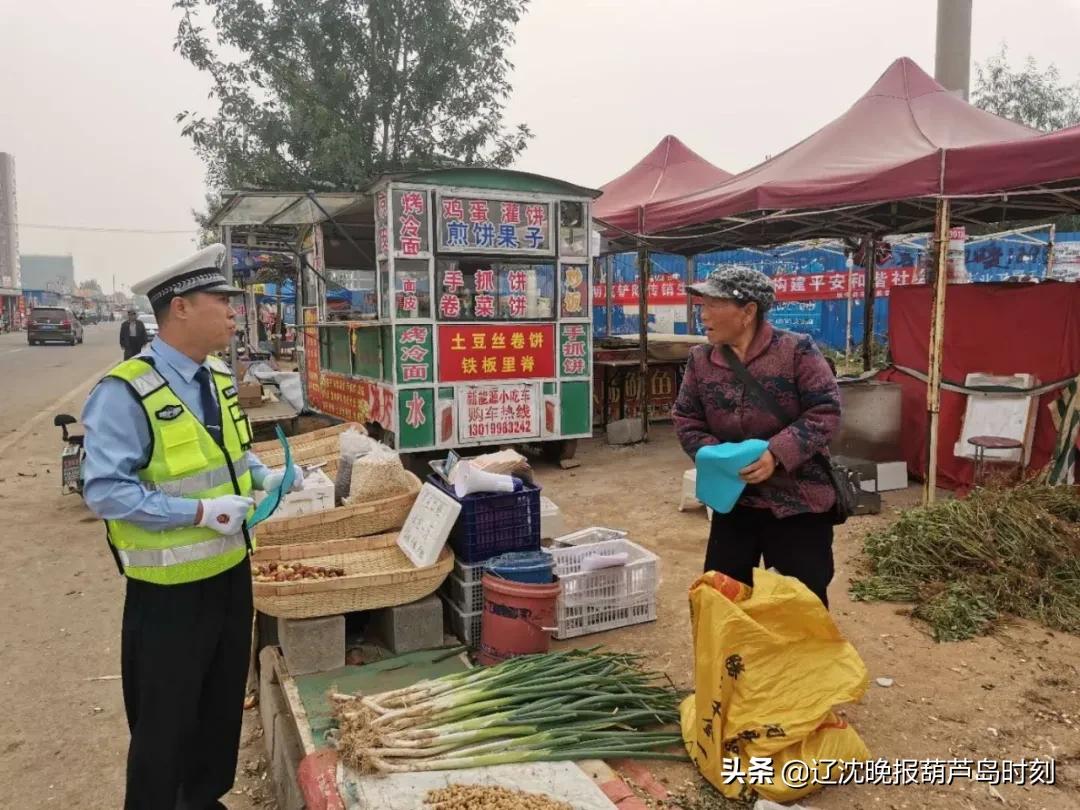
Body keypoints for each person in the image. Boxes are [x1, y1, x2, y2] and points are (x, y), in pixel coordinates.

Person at [81, 244, 304, 809]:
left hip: (230, 574)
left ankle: (203, 800)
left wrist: (267, 474)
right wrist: (199, 512)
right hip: (167, 595)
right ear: (180, 308)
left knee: (218, 705)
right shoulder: (125, 391)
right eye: (221, 300)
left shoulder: (220, 376)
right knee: (165, 722)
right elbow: (105, 489)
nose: (234, 312)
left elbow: (230, 453)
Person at [672, 266, 841, 607]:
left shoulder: (796, 351)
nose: (702, 315)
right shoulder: (700, 360)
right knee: (723, 598)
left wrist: (775, 454)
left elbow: (826, 411)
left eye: (712, 306)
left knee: (801, 602)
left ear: (748, 312)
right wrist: (719, 458)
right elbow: (686, 417)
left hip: (797, 502)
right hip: (735, 501)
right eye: (700, 306)